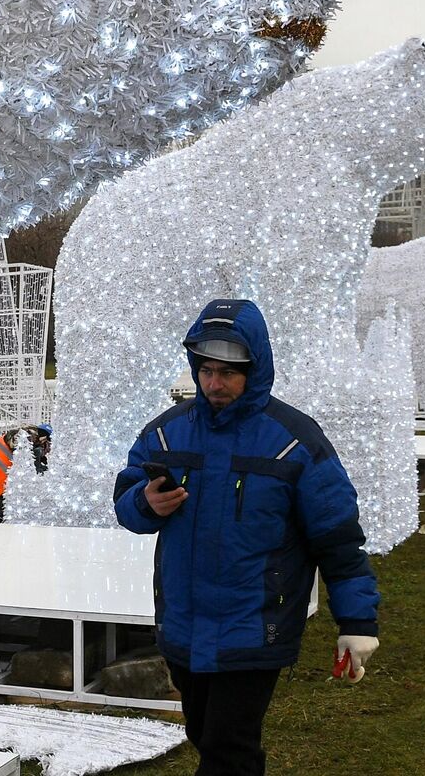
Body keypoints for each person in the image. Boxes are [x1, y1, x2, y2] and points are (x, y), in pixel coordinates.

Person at [114, 299, 380, 776]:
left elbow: (338, 541)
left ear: (255, 370)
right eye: (206, 371)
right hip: (184, 622)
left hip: (256, 625)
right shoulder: (168, 435)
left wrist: (357, 623)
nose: (214, 385)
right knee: (204, 734)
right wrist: (143, 503)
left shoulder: (295, 441)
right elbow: (127, 499)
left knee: (227, 746)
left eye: (228, 374)